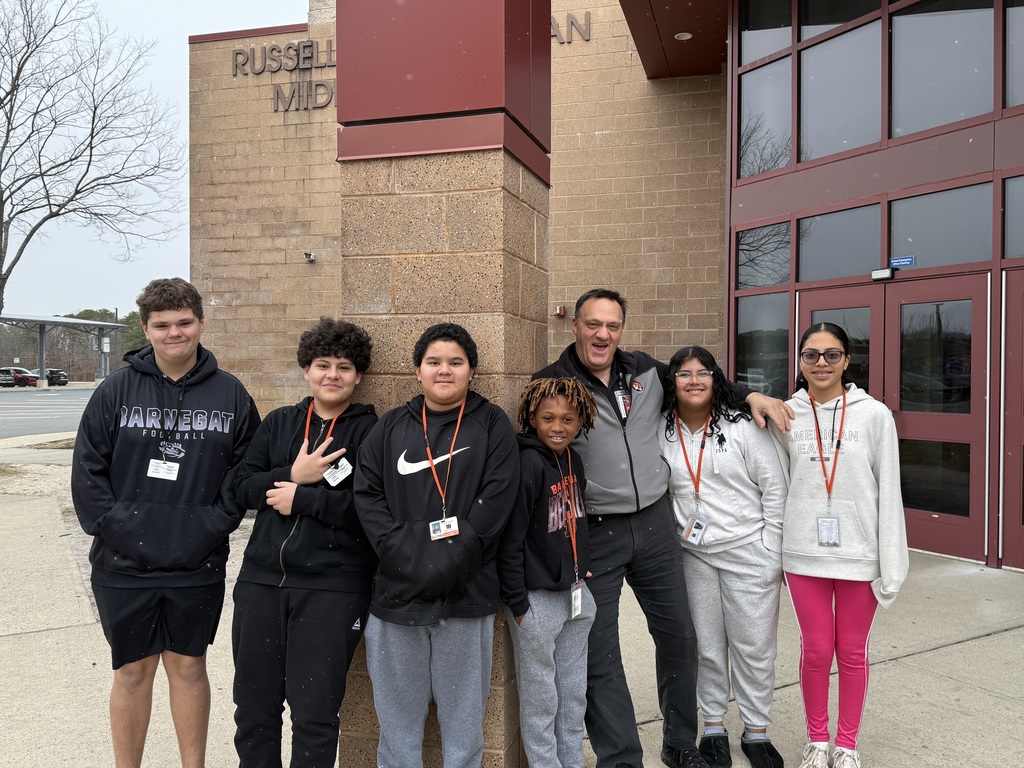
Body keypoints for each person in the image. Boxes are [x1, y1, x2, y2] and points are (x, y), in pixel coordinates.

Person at [533, 288, 791, 768]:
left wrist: (751, 393)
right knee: (600, 652)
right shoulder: (553, 383)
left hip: (656, 527)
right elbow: (534, 450)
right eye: (593, 324)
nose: (602, 334)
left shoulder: (647, 371)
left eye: (612, 326)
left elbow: (702, 380)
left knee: (681, 638)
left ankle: (680, 746)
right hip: (596, 533)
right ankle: (622, 758)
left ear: (621, 330)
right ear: (575, 326)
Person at [72, 277, 260, 768]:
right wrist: (121, 528)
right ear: (146, 328)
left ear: (200, 322)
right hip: (123, 561)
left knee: (189, 665)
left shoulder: (231, 394)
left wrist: (210, 527)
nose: (175, 333)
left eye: (184, 322)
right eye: (163, 325)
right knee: (132, 671)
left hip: (196, 561)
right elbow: (88, 473)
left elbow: (244, 474)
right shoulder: (115, 391)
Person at [353, 322, 519, 768]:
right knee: (398, 726)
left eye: (455, 362)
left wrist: (444, 563)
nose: (444, 370)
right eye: (434, 362)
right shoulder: (390, 427)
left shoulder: (491, 424)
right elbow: (367, 496)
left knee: (464, 725)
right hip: (395, 597)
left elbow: (495, 505)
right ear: (417, 372)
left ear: (471, 371)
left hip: (467, 597)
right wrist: (407, 558)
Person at [231, 317, 377, 767]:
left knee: (313, 714)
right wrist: (290, 476)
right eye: (323, 364)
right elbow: (240, 487)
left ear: (358, 375)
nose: (332, 374)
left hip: (332, 588)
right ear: (306, 370)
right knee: (254, 711)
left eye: (345, 367)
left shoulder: (373, 433)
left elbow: (372, 513)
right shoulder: (278, 424)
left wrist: (307, 499)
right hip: (260, 583)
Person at [771, 323, 909, 768]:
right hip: (803, 554)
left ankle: (846, 744)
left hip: (858, 554)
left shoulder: (874, 415)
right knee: (815, 649)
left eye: (832, 355)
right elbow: (774, 486)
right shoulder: (785, 415)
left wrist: (892, 561)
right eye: (811, 355)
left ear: (848, 361)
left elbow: (889, 491)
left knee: (851, 651)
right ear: (800, 363)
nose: (822, 363)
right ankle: (817, 738)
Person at [659, 346, 787, 768]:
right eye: (683, 373)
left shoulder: (743, 426)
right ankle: (713, 725)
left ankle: (756, 731)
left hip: (748, 551)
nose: (693, 380)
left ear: (717, 379)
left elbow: (775, 490)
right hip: (693, 555)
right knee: (707, 647)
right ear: (671, 380)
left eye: (703, 372)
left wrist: (771, 552)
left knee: (753, 647)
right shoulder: (660, 428)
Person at [498, 377, 600, 768]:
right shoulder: (527, 463)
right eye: (548, 418)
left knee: (573, 693)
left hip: (575, 594)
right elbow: (511, 538)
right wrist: (519, 604)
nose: (558, 427)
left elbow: (578, 521)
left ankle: (571, 761)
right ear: (531, 418)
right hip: (537, 601)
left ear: (581, 421)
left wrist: (582, 569)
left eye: (568, 419)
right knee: (541, 698)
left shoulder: (573, 459)